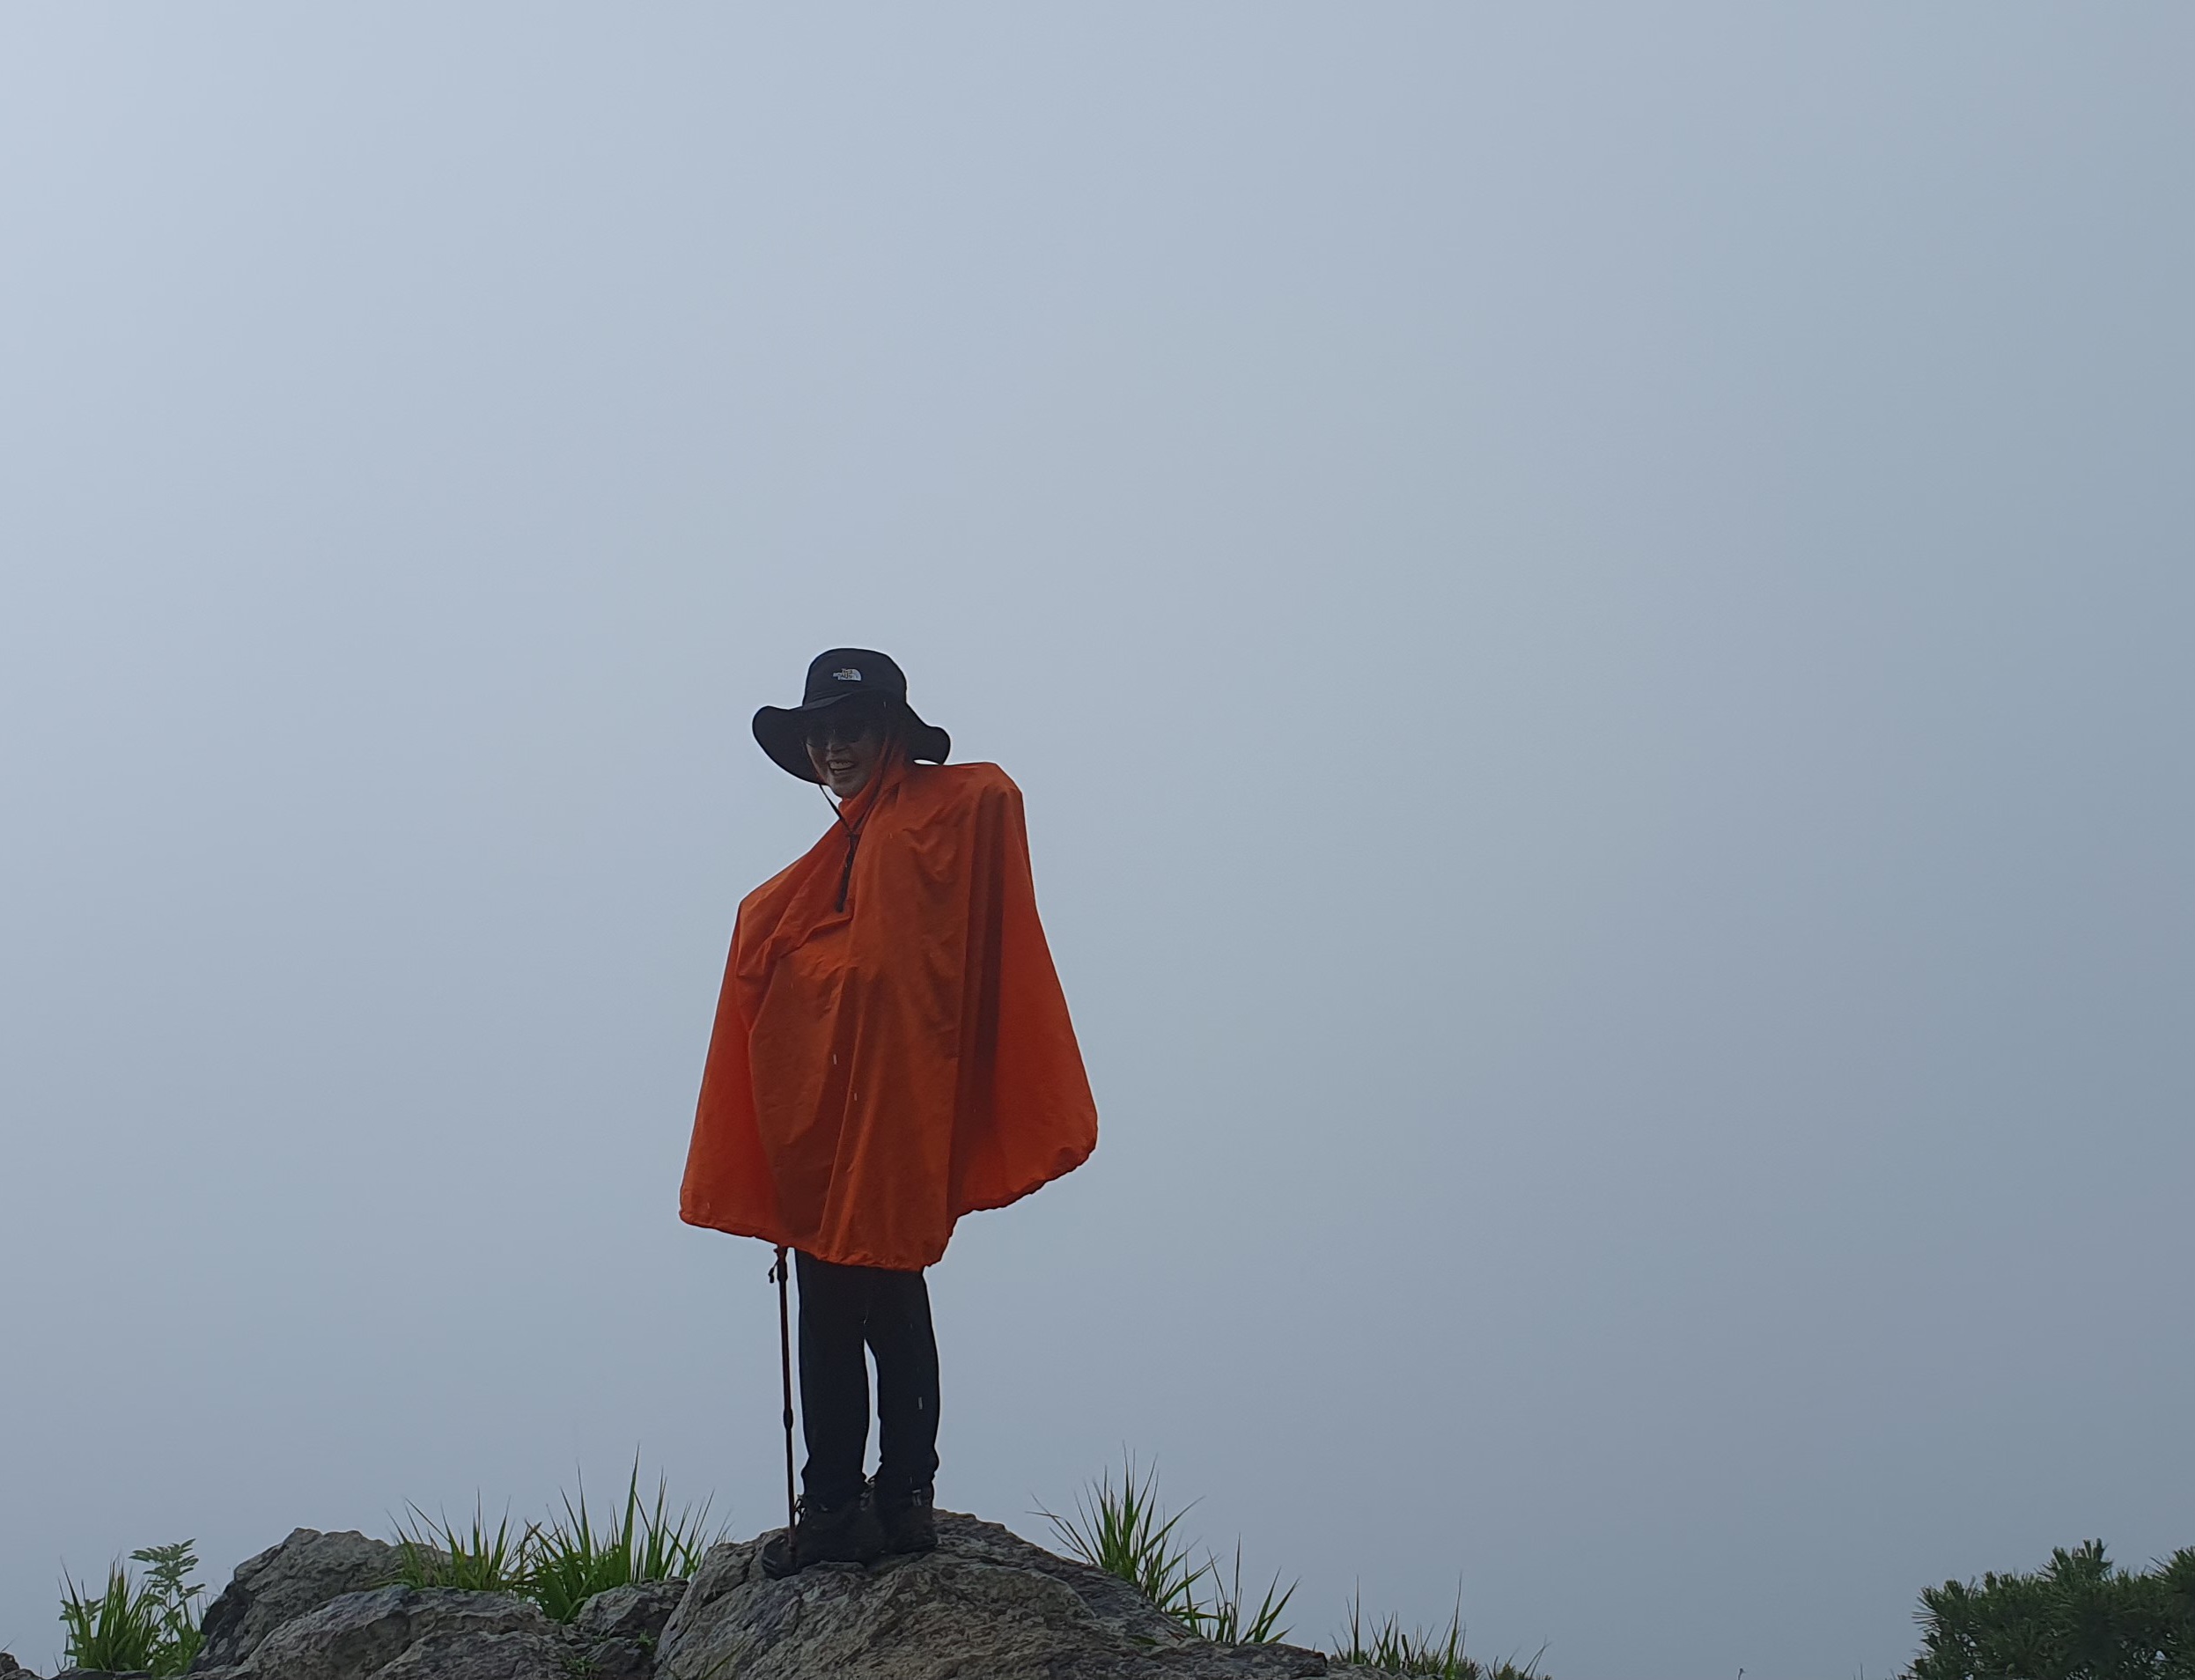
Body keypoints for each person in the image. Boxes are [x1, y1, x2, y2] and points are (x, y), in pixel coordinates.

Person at [681, 648, 1098, 1578]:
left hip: (897, 1107)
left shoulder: (930, 822)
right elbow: (831, 967)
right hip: (836, 1119)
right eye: (822, 733)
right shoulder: (832, 861)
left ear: (892, 736)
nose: (834, 748)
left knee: (846, 1299)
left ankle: (839, 1507)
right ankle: (902, 1502)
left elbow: (988, 802)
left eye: (853, 730)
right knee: (886, 1291)